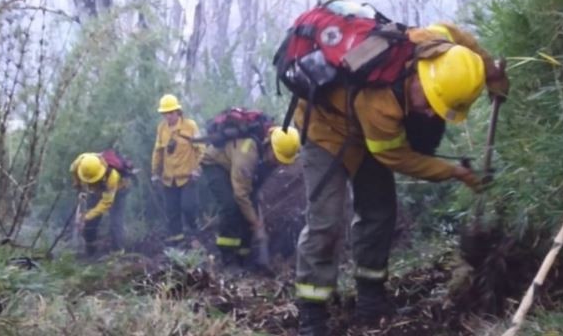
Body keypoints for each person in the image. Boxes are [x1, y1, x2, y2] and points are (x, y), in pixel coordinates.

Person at [292, 22, 509, 335]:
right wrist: (455, 172)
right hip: (325, 129)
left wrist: (492, 73)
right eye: (431, 104)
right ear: (421, 78)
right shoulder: (381, 106)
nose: (433, 115)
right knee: (326, 220)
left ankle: (371, 299)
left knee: (379, 212)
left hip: (367, 129)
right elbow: (397, 158)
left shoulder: (436, 43)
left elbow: (462, 40)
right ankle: (312, 313)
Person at [202, 121, 301, 272]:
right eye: (277, 159)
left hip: (235, 168)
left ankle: (245, 255)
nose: (277, 165)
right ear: (269, 146)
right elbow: (241, 194)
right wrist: (256, 222)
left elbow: (252, 194)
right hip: (216, 165)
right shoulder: (247, 155)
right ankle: (228, 259)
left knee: (250, 206)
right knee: (231, 206)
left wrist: (255, 217)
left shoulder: (265, 149)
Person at [151, 94, 204, 246]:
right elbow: (158, 151)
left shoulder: (190, 126)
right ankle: (178, 242)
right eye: (165, 114)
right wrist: (155, 173)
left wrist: (198, 169)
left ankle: (194, 233)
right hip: (169, 178)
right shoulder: (162, 128)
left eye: (170, 113)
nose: (168, 117)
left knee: (188, 207)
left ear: (178, 112)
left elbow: (201, 149)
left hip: (188, 177)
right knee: (172, 212)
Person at [70, 152, 131, 256]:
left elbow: (105, 204)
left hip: (119, 188)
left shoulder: (113, 177)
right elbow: (73, 171)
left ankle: (117, 252)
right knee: (91, 220)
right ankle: (90, 249)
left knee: (116, 220)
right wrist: (78, 185)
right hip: (98, 189)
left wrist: (85, 217)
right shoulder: (80, 162)